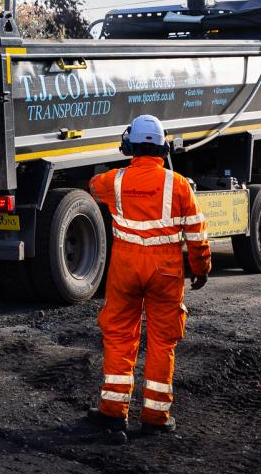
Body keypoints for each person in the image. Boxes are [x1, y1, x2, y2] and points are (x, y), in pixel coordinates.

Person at [85, 114, 211, 443]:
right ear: (162, 145)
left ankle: (113, 415)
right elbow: (197, 234)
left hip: (126, 271)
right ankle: (156, 417)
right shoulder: (179, 184)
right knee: (161, 342)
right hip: (165, 272)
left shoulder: (113, 181)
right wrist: (200, 268)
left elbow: (91, 187)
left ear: (131, 144)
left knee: (120, 338)